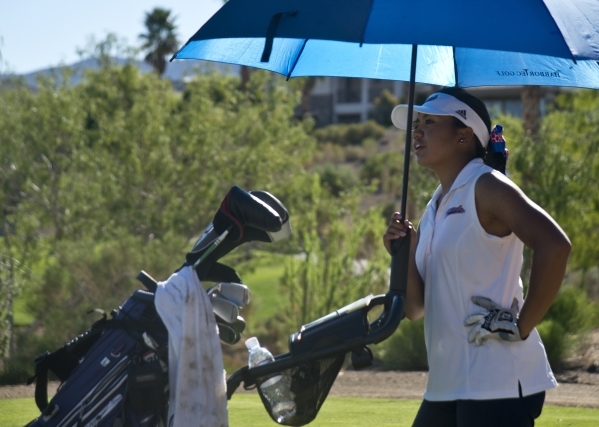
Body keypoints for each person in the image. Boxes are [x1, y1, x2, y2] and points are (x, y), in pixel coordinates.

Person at [383, 87, 571, 427]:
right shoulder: (434, 207)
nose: (417, 131)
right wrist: (406, 252)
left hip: (498, 382)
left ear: (463, 136)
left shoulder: (487, 185)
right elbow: (415, 309)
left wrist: (522, 326)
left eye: (429, 122)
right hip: (446, 385)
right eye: (416, 124)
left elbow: (555, 246)